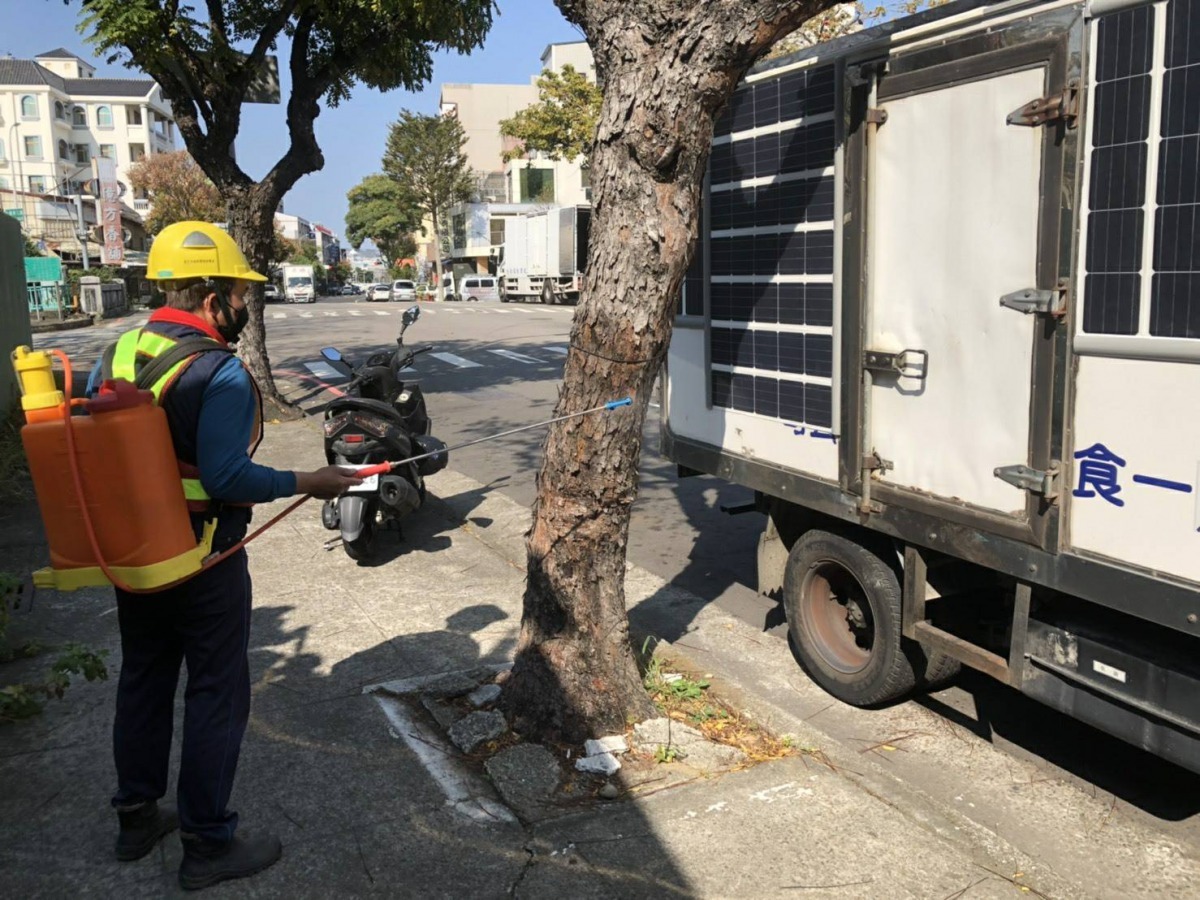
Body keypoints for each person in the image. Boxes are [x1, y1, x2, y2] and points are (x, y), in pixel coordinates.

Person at [89, 221, 362, 891]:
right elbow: (227, 479)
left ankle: (135, 817)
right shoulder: (221, 372)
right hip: (203, 559)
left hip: (135, 554)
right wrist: (310, 481)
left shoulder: (117, 352)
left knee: (145, 678)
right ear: (212, 296)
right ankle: (208, 842)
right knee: (216, 691)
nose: (246, 307)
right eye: (242, 294)